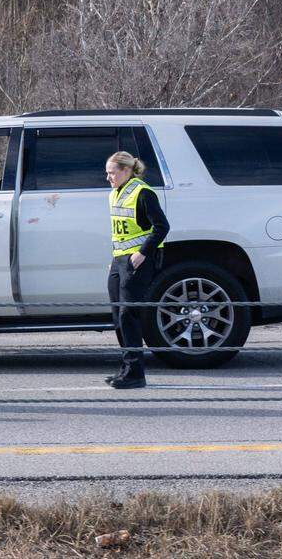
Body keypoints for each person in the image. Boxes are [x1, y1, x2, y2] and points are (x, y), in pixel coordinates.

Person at [104, 151, 169, 389]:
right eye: (107, 173)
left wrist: (143, 253)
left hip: (138, 261)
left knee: (128, 315)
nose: (108, 177)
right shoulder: (115, 194)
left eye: (112, 172)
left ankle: (135, 374)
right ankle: (126, 368)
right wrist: (114, 258)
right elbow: (121, 232)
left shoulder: (143, 193)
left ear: (125, 170)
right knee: (117, 316)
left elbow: (161, 227)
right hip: (119, 260)